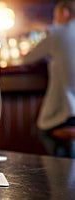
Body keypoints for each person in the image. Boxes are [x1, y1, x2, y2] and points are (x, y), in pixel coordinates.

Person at [22, 0, 75, 156]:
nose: (55, 21)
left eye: (56, 16)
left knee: (43, 131)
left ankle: (63, 174)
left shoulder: (57, 33)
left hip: (67, 113)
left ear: (65, 13)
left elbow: (27, 59)